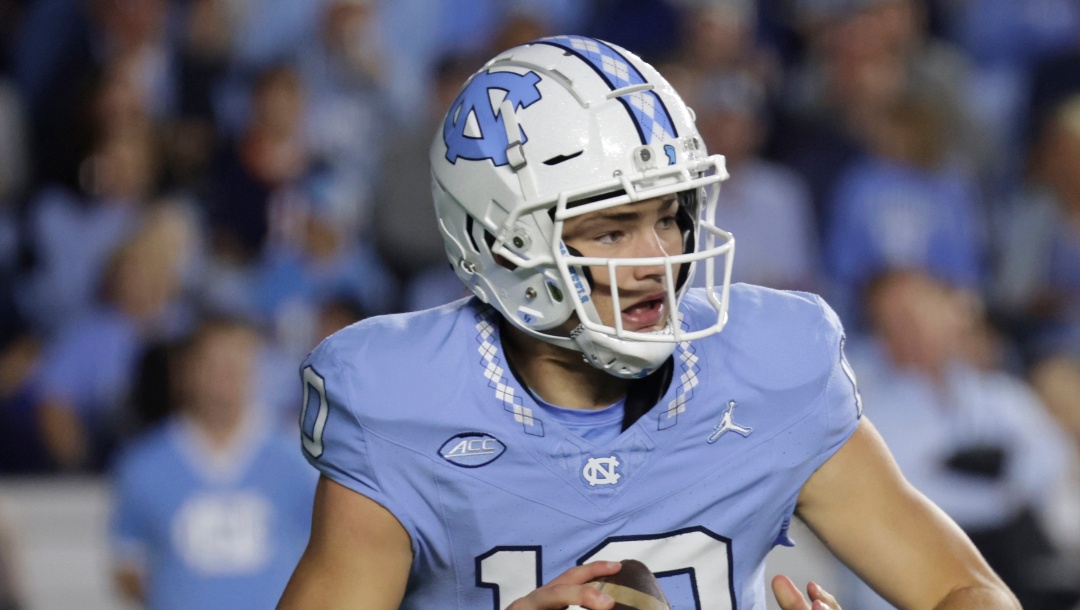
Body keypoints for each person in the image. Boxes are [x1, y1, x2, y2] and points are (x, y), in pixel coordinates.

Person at [278, 35, 1019, 610]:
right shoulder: (400, 402)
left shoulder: (772, 364)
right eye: (612, 230)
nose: (659, 259)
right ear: (503, 243)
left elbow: (970, 591)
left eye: (670, 216)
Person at [110, 316, 315, 610]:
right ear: (184, 370)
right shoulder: (142, 466)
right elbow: (127, 566)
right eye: (215, 364)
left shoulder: (299, 462)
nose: (227, 375)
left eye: (238, 362)